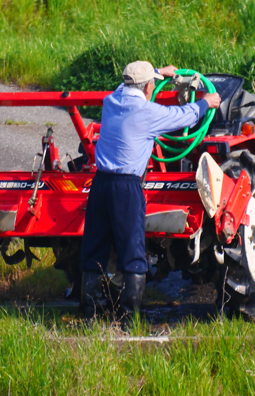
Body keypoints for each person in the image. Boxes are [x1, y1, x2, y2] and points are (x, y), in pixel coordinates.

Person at [80, 61, 222, 322]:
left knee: (94, 249)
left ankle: (92, 315)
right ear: (148, 87)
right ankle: (128, 320)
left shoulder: (111, 101)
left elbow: (129, 85)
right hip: (127, 187)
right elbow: (183, 117)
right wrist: (207, 103)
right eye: (153, 84)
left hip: (99, 185)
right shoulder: (148, 113)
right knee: (132, 252)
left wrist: (159, 73)